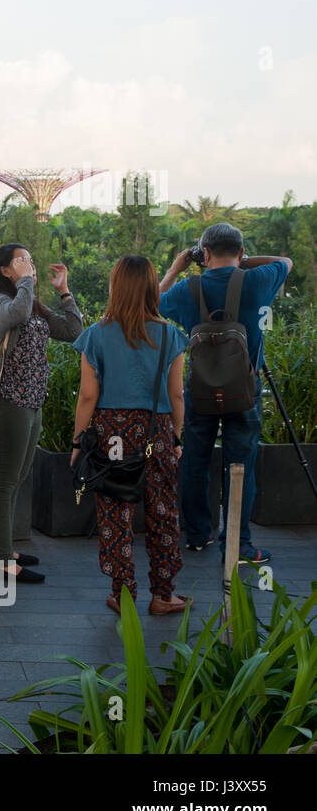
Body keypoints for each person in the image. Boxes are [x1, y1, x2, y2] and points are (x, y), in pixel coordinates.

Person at [158, 223, 291, 565]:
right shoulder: (259, 280)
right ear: (242, 252)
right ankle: (239, 545)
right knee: (241, 465)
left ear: (203, 254)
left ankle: (196, 535)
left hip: (200, 390)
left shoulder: (189, 287)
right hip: (244, 389)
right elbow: (285, 261)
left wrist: (177, 267)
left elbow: (152, 304)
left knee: (195, 462)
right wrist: (242, 262)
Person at [71, 256, 190, 614]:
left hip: (113, 436)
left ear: (115, 287)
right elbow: (177, 395)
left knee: (115, 512)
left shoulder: (96, 335)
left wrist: (78, 441)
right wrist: (177, 437)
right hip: (157, 431)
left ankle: (123, 594)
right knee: (163, 512)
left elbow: (88, 396)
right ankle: (163, 595)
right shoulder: (170, 335)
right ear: (153, 288)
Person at [0, 243, 85, 583]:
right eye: (20, 260)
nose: (29, 264)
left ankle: (4, 549)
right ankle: (2, 560)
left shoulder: (33, 304)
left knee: (18, 479)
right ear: (5, 270)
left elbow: (72, 332)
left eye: (30, 258)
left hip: (33, 401)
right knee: (4, 482)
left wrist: (64, 292)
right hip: (8, 402)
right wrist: (26, 282)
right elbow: (17, 315)